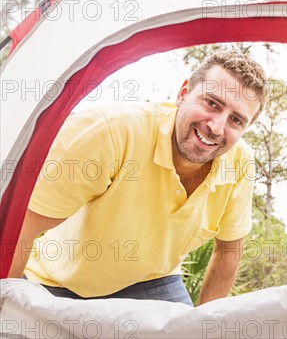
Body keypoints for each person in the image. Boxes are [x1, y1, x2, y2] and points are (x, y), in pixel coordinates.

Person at [8, 50, 268, 306]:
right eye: (212, 103)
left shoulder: (240, 164)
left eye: (236, 120)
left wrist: (206, 328)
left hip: (153, 281)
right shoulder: (109, 131)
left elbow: (228, 251)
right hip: (56, 281)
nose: (216, 127)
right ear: (183, 93)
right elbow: (20, 230)